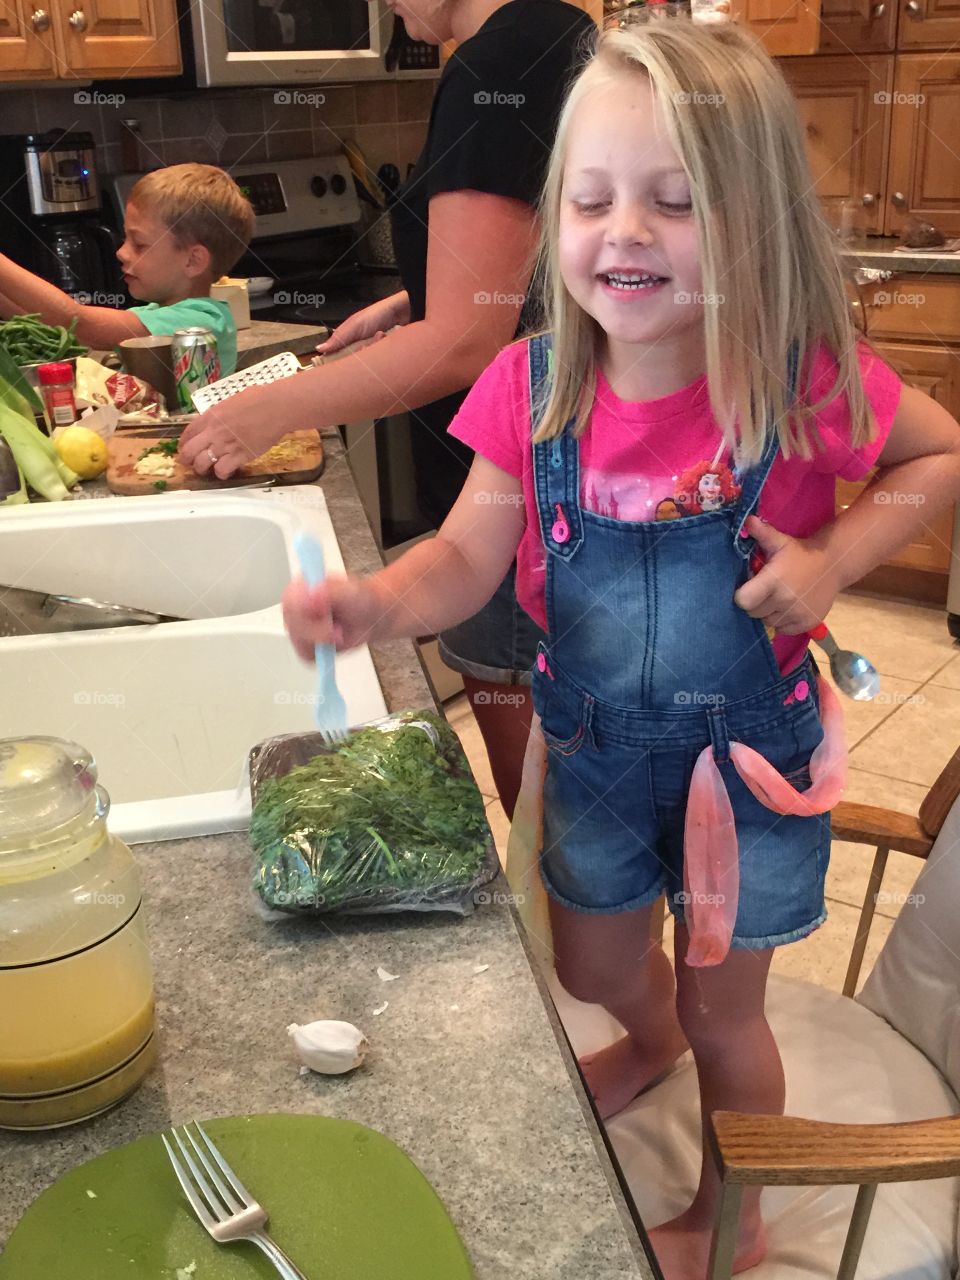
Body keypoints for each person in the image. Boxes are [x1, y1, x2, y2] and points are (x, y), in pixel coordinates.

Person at [282, 18, 960, 1277]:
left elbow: (940, 454)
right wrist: (377, 604)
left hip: (746, 766)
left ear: (751, 220)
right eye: (590, 199)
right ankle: (645, 1040)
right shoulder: (532, 385)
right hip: (592, 745)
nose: (623, 231)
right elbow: (465, 560)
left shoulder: (799, 377)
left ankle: (735, 1207)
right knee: (595, 959)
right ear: (557, 221)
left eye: (675, 201)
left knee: (725, 1003)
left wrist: (829, 563)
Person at [179, 0, 596, 818]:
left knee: (554, 847)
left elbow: (466, 344)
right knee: (593, 835)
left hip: (515, 503)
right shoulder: (559, 30)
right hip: (575, 485)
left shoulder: (494, 65)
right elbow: (539, 262)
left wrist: (264, 409)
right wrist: (413, 298)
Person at [0, 163, 253, 374]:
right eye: (125, 239)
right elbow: (45, 326)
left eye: (140, 244)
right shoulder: (157, 312)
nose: (121, 252)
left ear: (193, 261)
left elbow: (77, 321)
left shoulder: (199, 322)